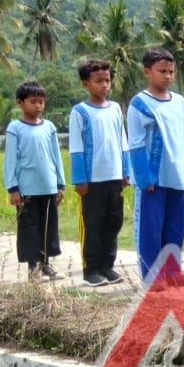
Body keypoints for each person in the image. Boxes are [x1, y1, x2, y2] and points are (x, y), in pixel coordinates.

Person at [127, 48, 184, 284]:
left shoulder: (180, 102)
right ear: (148, 72)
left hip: (176, 178)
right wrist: (145, 178)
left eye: (171, 72)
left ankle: (173, 274)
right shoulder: (139, 103)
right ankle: (152, 279)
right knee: (151, 232)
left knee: (175, 228)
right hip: (153, 181)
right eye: (161, 71)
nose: (167, 76)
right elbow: (135, 144)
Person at [68, 60, 130, 287]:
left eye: (107, 80)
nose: (104, 85)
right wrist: (80, 178)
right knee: (92, 223)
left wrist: (126, 171)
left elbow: (123, 141)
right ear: (86, 84)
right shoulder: (80, 112)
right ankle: (91, 269)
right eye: (99, 81)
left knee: (113, 222)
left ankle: (107, 266)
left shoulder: (114, 108)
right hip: (92, 180)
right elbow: (76, 147)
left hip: (114, 178)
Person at [3, 81, 67, 282]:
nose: (38, 106)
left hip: (48, 186)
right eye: (33, 102)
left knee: (49, 227)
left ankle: (46, 265)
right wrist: (13, 188)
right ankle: (33, 268)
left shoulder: (49, 127)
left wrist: (60, 184)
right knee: (30, 229)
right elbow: (10, 160)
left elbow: (56, 156)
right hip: (27, 189)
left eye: (41, 102)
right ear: (21, 103)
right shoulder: (15, 128)